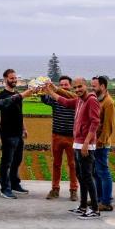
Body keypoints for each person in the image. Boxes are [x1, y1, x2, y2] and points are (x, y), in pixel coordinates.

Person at [43, 77, 101, 218]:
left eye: (80, 86)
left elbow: (95, 122)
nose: (77, 90)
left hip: (85, 144)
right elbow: (65, 101)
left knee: (87, 176)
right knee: (81, 175)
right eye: (75, 88)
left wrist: (87, 142)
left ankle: (94, 209)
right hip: (78, 142)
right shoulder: (79, 100)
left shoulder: (91, 100)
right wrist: (50, 92)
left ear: (86, 86)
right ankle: (82, 206)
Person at [40, 75, 78, 201]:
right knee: (56, 164)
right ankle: (55, 189)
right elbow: (45, 99)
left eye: (66, 85)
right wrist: (41, 89)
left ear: (70, 86)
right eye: (61, 85)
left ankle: (73, 190)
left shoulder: (74, 99)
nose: (63, 87)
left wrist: (54, 90)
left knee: (73, 164)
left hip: (71, 138)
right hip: (56, 135)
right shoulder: (55, 99)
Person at [0, 68, 28, 199]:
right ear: (5, 79)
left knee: (17, 160)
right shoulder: (3, 95)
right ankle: (5, 188)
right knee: (7, 161)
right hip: (8, 133)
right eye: (11, 78)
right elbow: (10, 102)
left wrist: (24, 128)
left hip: (18, 132)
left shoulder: (18, 95)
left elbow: (19, 113)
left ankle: (15, 183)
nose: (14, 80)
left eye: (15, 78)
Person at [92, 75, 115, 212]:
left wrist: (101, 141)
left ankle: (106, 202)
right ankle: (99, 199)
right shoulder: (97, 99)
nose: (92, 88)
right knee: (96, 172)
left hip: (101, 144)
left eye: (94, 86)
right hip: (94, 143)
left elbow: (108, 126)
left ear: (102, 86)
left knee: (103, 172)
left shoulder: (109, 103)